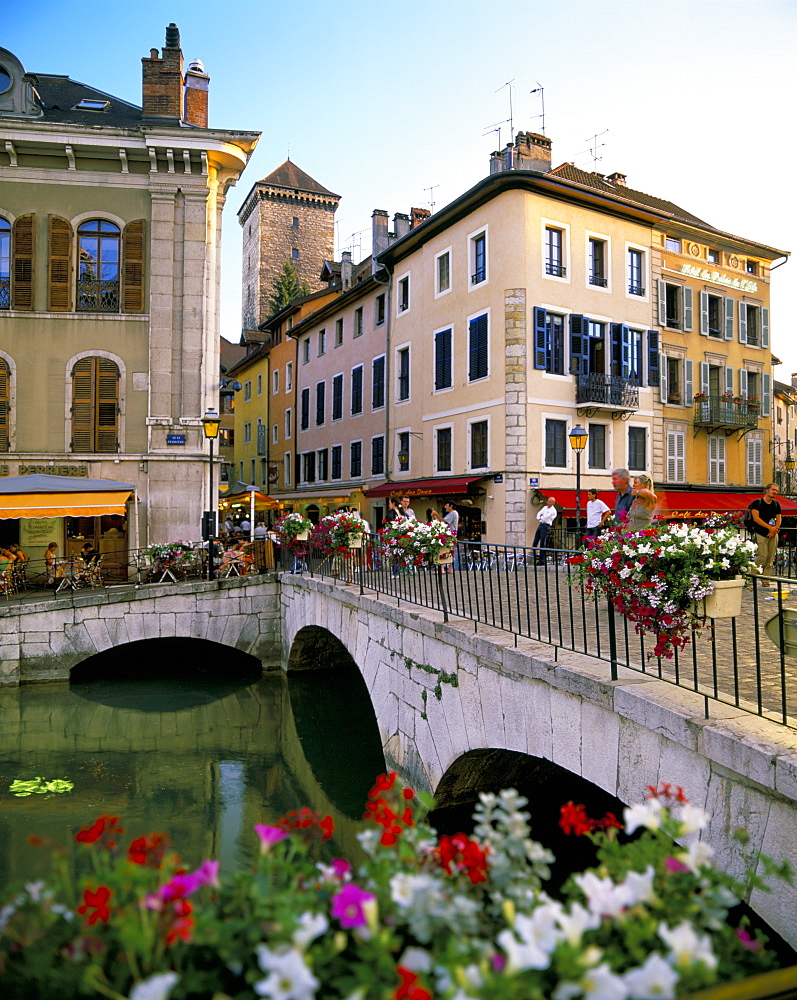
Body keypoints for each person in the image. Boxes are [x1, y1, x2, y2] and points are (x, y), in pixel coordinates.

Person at [748, 483, 782, 585]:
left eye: (776, 490)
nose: (775, 492)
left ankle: (765, 580)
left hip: (773, 533)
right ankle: (752, 576)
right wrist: (770, 528)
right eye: (773, 490)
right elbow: (756, 518)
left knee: (770, 558)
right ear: (767, 490)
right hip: (761, 533)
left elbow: (779, 517)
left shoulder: (776, 504)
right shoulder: (757, 503)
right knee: (762, 556)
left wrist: (774, 529)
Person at [533, 496, 558, 565]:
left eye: (550, 501)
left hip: (545, 526)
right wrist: (538, 518)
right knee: (535, 541)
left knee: (542, 543)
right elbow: (539, 513)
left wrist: (541, 518)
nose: (548, 502)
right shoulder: (545, 508)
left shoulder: (553, 511)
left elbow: (546, 517)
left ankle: (542, 560)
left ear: (553, 502)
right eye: (548, 501)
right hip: (541, 524)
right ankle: (534, 557)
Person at [442, 501, 460, 572]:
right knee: (450, 551)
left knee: (443, 550)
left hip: (449, 536)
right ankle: (450, 568)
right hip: (451, 535)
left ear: (451, 506)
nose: (445, 507)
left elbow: (443, 521)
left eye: (446, 505)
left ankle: (443, 569)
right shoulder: (452, 513)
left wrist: (436, 514)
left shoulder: (453, 513)